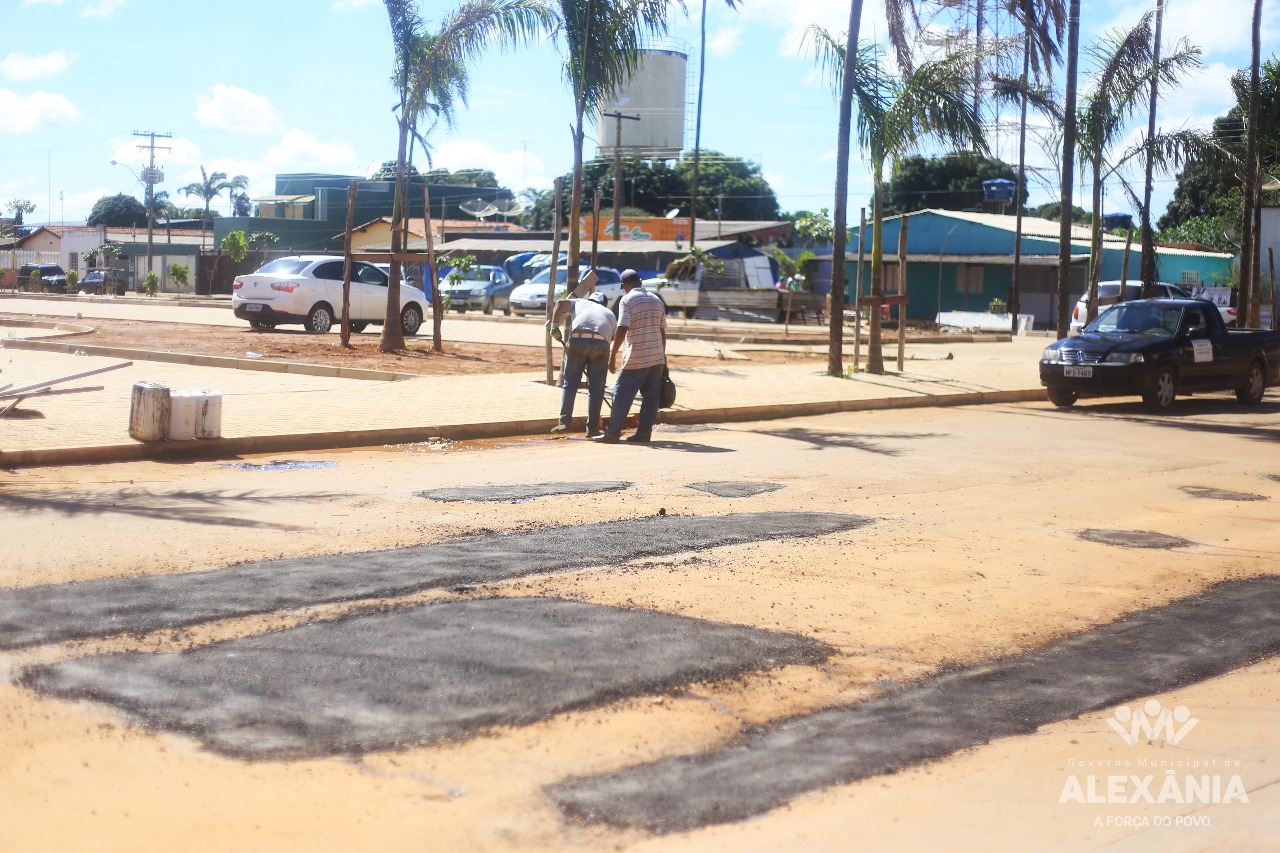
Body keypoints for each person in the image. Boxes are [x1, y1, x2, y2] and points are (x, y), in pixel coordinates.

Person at [594, 269, 667, 444]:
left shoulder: (627, 300)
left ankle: (612, 433)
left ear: (625, 285)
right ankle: (644, 433)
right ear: (639, 282)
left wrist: (612, 355)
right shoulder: (657, 300)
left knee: (620, 393)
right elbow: (662, 331)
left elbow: (622, 328)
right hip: (656, 357)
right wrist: (663, 357)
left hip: (637, 356)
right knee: (651, 397)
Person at [548, 290, 616, 436]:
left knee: (570, 383)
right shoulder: (609, 313)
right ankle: (592, 429)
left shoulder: (579, 302)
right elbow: (613, 337)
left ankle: (564, 423)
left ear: (590, 300)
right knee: (596, 388)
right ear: (604, 304)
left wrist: (554, 327)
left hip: (577, 339)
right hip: (601, 343)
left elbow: (559, 304)